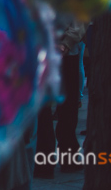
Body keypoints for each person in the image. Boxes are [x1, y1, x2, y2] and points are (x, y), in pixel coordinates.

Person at [34, 14, 86, 177]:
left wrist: (66, 43)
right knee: (57, 107)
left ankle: (48, 161)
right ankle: (58, 158)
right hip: (54, 50)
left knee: (57, 107)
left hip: (56, 50)